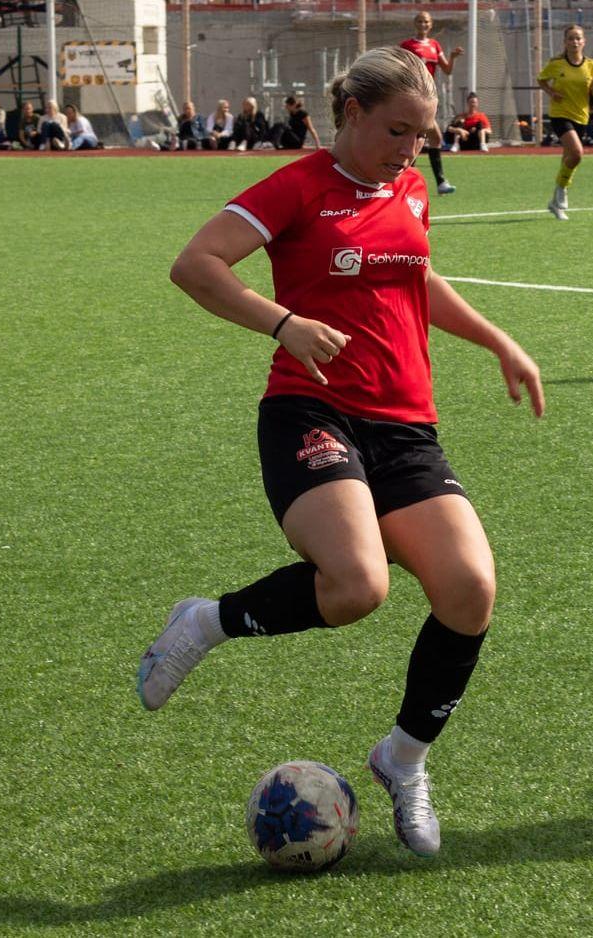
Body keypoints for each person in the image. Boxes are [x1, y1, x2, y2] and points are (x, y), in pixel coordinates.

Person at [146, 45, 545, 860]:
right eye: (397, 130)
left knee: (469, 589)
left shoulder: (408, 186)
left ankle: (403, 759)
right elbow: (195, 265)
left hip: (405, 424)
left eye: (421, 135)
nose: (410, 149)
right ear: (351, 113)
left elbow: (414, 280)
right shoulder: (296, 187)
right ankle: (207, 621)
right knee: (358, 586)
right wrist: (284, 323)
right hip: (309, 408)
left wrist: (495, 338)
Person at [538, 25, 593, 221]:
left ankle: (555, 203)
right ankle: (561, 190)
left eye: (578, 38)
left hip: (581, 116)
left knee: (568, 159)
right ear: (565, 42)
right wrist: (551, 93)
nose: (574, 42)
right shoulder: (557, 64)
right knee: (577, 153)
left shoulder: (592, 66)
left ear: (584, 42)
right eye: (570, 39)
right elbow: (542, 80)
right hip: (560, 114)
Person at [401, 10, 464, 194]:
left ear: (431, 24)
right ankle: (420, 181)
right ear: (415, 23)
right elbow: (399, 67)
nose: (423, 24)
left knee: (429, 138)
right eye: (420, 21)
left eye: (426, 22)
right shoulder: (407, 45)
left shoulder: (434, 45)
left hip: (428, 96)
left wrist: (452, 57)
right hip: (414, 95)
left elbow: (447, 70)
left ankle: (419, 181)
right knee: (425, 137)